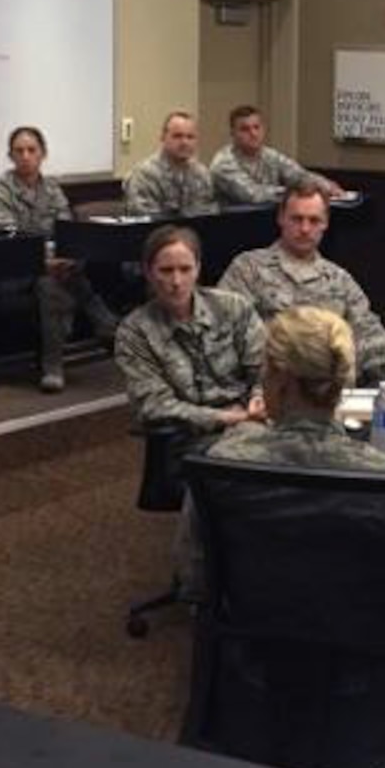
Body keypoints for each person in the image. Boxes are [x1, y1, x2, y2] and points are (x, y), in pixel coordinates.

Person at [207, 307, 385, 684]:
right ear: (343, 383)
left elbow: (195, 575)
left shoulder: (222, 464)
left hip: (259, 660)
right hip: (371, 670)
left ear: (279, 381)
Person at [114, 224, 266, 599]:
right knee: (251, 462)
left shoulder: (233, 308)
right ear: (149, 272)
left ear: (199, 268)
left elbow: (265, 366)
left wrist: (260, 399)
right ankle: (208, 583)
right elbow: (155, 404)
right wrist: (226, 418)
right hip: (187, 438)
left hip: (253, 418)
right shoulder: (136, 331)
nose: (176, 281)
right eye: (165, 271)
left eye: (185, 269)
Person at [0, 125, 120, 393]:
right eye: (19, 151)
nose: (26, 156)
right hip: (9, 272)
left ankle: (64, 355)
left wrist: (67, 256)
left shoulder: (52, 189)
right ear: (10, 156)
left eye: (32, 150)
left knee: (59, 276)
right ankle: (80, 342)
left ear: (43, 154)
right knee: (51, 282)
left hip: (50, 267)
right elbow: (9, 241)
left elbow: (66, 229)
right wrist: (46, 259)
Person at [217, 185, 385, 380]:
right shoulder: (248, 268)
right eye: (297, 219)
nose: (305, 229)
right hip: (269, 386)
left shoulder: (339, 279)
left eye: (314, 220)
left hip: (330, 393)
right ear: (281, 218)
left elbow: (369, 332)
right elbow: (227, 334)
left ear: (325, 223)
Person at [210, 104, 344, 206]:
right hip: (232, 225)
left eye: (257, 127)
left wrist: (325, 185)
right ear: (233, 134)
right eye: (245, 129)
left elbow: (297, 174)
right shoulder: (223, 163)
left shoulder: (269, 155)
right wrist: (296, 190)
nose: (253, 134)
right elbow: (252, 195)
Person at [123, 111, 218, 218]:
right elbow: (144, 219)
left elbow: (209, 214)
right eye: (177, 136)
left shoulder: (201, 173)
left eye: (190, 137)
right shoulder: (144, 175)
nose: (184, 142)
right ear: (163, 137)